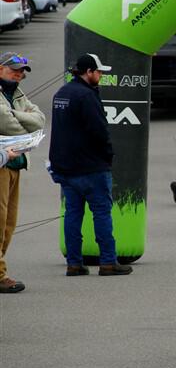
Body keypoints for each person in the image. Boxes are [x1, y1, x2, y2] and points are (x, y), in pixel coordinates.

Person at [48, 53, 131, 276]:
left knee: (73, 215)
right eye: (99, 72)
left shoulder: (61, 93)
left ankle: (74, 264)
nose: (101, 75)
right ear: (89, 72)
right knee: (102, 213)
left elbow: (57, 131)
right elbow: (99, 131)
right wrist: (108, 155)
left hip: (66, 168)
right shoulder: (87, 96)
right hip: (92, 167)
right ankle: (108, 262)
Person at [0, 52, 45, 293]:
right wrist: (23, 127)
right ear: (0, 69)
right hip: (1, 164)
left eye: (21, 72)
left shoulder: (17, 93)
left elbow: (39, 120)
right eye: (13, 69)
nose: (19, 74)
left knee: (9, 223)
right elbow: (5, 123)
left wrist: (15, 116)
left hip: (16, 164)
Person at [0, 147, 23, 292]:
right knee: (0, 223)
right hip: (4, 160)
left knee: (9, 222)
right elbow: (8, 124)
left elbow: (36, 125)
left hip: (13, 162)